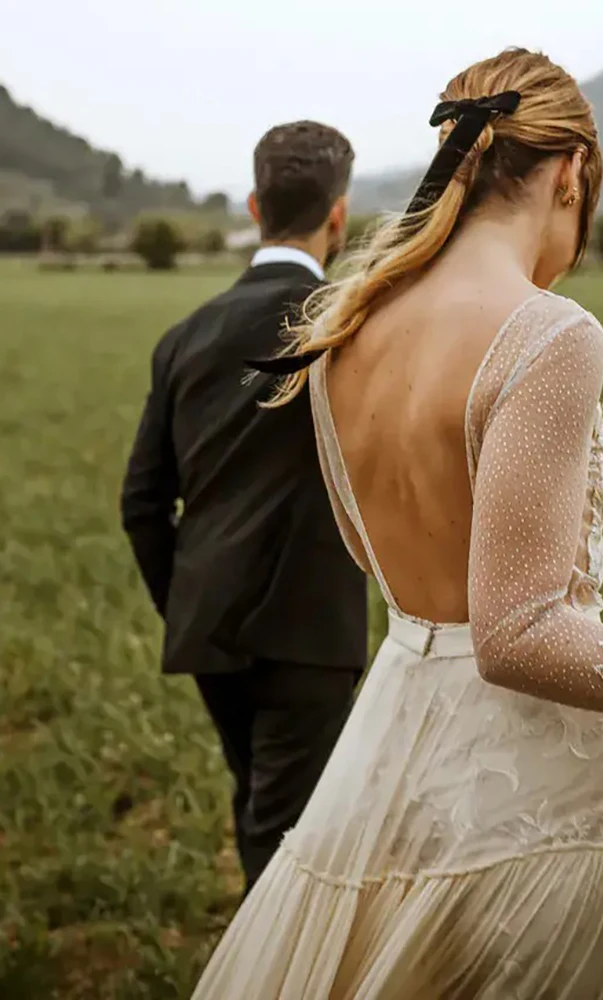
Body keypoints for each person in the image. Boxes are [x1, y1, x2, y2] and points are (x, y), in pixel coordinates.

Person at [192, 50, 603, 998]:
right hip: (532, 790)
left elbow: (370, 552)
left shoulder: (348, 328)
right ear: (569, 173)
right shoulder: (548, 333)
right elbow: (519, 635)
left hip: (389, 748)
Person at [120, 121, 368, 894]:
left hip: (208, 627)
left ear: (257, 205)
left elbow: (141, 502)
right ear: (339, 216)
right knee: (290, 835)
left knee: (260, 801)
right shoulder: (353, 322)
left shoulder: (183, 336)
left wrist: (185, 602)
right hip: (312, 628)